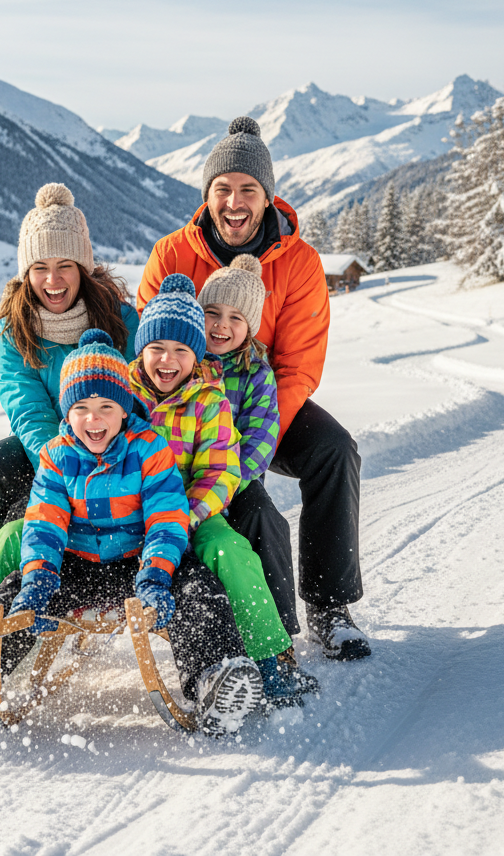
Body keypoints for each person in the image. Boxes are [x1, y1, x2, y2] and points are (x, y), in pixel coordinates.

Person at [0, 330, 264, 736]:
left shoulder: (150, 449)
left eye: (106, 406)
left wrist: (157, 572)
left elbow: (167, 518)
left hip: (141, 564)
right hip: (77, 567)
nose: (93, 419)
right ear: (67, 413)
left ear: (124, 410)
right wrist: (38, 576)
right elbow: (43, 523)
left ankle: (212, 682)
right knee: (12, 593)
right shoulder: (57, 455)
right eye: (81, 407)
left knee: (198, 589)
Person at [137, 117, 370, 660]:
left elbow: (297, 367)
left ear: (268, 197)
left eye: (248, 189)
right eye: (223, 188)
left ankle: (329, 606)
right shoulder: (172, 254)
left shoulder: (300, 262)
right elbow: (147, 348)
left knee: (335, 450)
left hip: (259, 402)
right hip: (185, 407)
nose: (234, 202)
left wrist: (248, 448)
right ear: (207, 195)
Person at [129, 273, 311, 705]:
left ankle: (272, 656)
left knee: (236, 546)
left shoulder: (215, 395)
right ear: (140, 350)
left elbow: (227, 463)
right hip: (129, 515)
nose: (168, 360)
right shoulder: (122, 396)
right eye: (157, 348)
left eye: (181, 350)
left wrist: (192, 512)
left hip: (200, 506)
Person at [0, 182, 139, 604]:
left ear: (83, 269)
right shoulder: (10, 330)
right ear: (26, 272)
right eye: (40, 267)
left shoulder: (120, 321)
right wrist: (61, 472)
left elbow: (138, 397)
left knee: (30, 512)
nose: (52, 280)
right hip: (44, 448)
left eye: (65, 266)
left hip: (115, 445)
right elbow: (29, 412)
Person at [198, 254, 300, 639]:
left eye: (235, 317)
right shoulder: (184, 361)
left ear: (251, 326)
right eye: (212, 312)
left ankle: (279, 631)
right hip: (181, 477)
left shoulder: (256, 373)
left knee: (264, 518)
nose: (221, 325)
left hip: (234, 479)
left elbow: (260, 439)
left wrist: (225, 486)